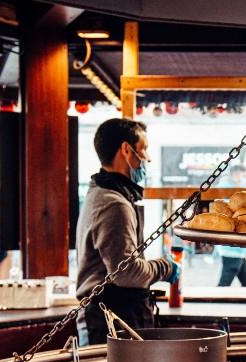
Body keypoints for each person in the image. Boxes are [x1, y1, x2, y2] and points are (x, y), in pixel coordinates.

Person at [75, 118, 180, 345]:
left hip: (111, 315)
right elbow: (126, 272)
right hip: (110, 319)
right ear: (126, 149)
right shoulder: (114, 203)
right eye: (143, 149)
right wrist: (166, 267)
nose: (147, 158)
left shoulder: (101, 193)